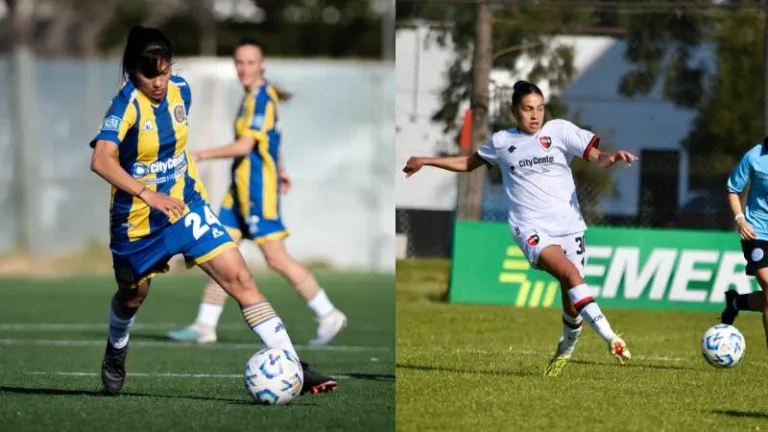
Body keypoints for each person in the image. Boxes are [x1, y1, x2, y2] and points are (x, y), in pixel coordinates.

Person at [89, 25, 337, 395]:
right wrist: (147, 194)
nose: (159, 82)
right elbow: (101, 161)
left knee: (240, 277)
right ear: (131, 72)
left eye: (165, 71)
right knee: (132, 296)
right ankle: (116, 348)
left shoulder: (181, 91)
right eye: (149, 74)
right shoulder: (125, 105)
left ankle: (293, 366)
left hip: (186, 207)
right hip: (137, 223)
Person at [402, 81, 637, 377]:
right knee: (570, 275)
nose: (535, 115)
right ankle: (611, 337)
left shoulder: (560, 131)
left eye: (539, 109)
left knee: (571, 293)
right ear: (515, 110)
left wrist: (612, 158)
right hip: (530, 228)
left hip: (570, 226)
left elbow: (598, 157)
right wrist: (426, 160)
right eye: (527, 109)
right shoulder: (501, 142)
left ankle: (567, 345)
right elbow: (467, 162)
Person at [165, 37, 347, 346]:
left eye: (250, 62)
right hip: (238, 192)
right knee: (219, 253)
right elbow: (272, 140)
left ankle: (328, 313)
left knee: (276, 259)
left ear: (262, 64)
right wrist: (282, 167)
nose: (243, 68)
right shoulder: (252, 97)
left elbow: (246, 146)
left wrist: (201, 154)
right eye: (239, 62)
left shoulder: (262, 98)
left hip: (257, 192)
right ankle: (204, 325)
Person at [720, 137, 768, 348]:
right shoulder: (754, 156)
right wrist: (740, 220)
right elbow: (733, 189)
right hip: (756, 234)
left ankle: (735, 302)